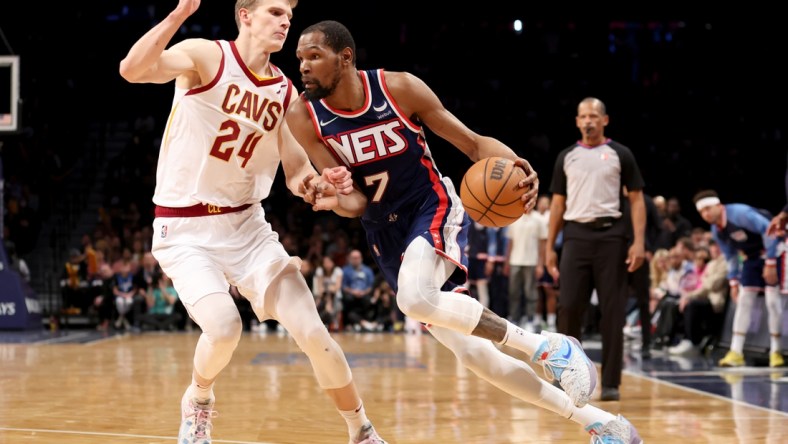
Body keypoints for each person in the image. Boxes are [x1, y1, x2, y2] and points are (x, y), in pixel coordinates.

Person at [286, 20, 641, 443]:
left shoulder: (398, 88)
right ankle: (601, 424)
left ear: (345, 57)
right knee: (479, 357)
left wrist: (519, 168)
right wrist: (333, 199)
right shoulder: (302, 116)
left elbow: (472, 144)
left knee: (414, 298)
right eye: (300, 59)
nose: (303, 67)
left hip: (430, 206)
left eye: (313, 56)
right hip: (384, 233)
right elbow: (357, 202)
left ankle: (548, 347)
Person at [118, 2, 386, 443]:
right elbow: (132, 69)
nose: (285, 22)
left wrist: (319, 184)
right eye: (275, 12)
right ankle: (198, 399)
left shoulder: (283, 89)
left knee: (313, 331)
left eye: (288, 15)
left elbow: (296, 170)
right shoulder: (207, 56)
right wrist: (179, 14)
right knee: (224, 328)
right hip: (185, 230)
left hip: (247, 227)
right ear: (245, 15)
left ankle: (361, 430)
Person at [545, 97, 647, 402]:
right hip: (575, 236)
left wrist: (639, 242)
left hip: (611, 236)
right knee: (569, 307)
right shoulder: (566, 156)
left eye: (593, 116)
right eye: (582, 116)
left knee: (612, 311)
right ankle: (565, 376)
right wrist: (550, 247)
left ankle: (611, 383)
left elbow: (637, 199)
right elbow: (557, 205)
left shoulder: (620, 154)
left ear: (605, 120)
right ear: (577, 122)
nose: (588, 121)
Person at [692, 189, 785, 368]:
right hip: (752, 257)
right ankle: (736, 352)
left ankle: (776, 352)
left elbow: (770, 231)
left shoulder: (740, 213)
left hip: (775, 251)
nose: (706, 214)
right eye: (701, 212)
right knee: (743, 300)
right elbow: (730, 256)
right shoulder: (716, 230)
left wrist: (771, 262)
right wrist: (733, 281)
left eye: (708, 209)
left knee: (773, 301)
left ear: (719, 206)